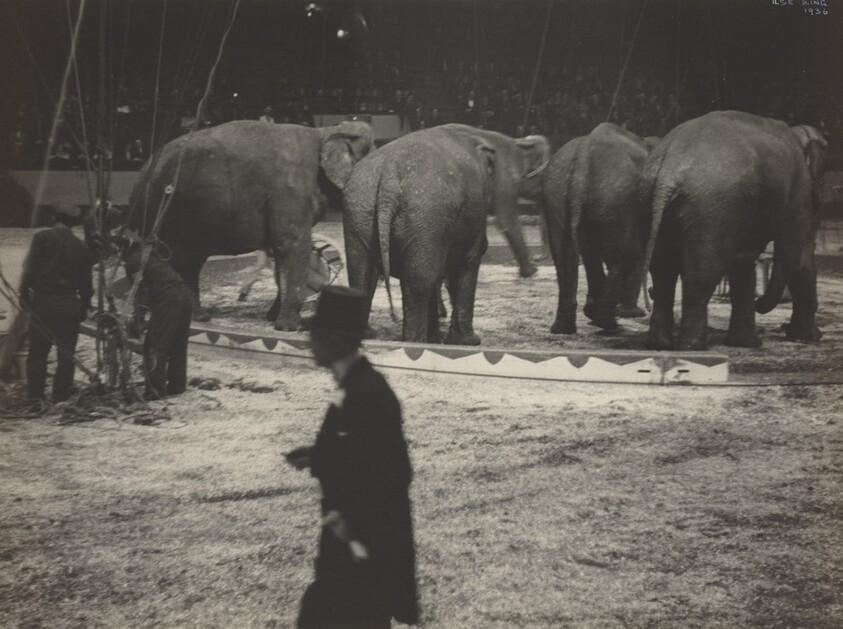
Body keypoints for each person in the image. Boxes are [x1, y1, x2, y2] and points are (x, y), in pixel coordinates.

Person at [287, 286, 419, 629]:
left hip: (363, 545)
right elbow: (361, 453)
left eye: (316, 335)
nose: (309, 342)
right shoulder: (354, 386)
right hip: (348, 542)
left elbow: (394, 473)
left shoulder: (368, 393)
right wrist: (319, 457)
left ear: (336, 340)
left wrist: (354, 532)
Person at [19, 203, 94, 403]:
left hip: (43, 303)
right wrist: (83, 306)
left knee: (37, 353)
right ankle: (60, 396)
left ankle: (35, 398)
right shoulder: (80, 246)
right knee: (66, 354)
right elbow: (86, 284)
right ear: (74, 223)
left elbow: (29, 270)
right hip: (69, 303)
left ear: (54, 218)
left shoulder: (42, 238)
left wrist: (24, 295)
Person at [112, 228, 192, 400]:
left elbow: (140, 291)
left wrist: (138, 318)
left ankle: (154, 390)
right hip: (184, 293)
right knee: (177, 342)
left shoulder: (134, 261)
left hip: (168, 297)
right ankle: (177, 385)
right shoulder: (149, 254)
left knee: (155, 344)